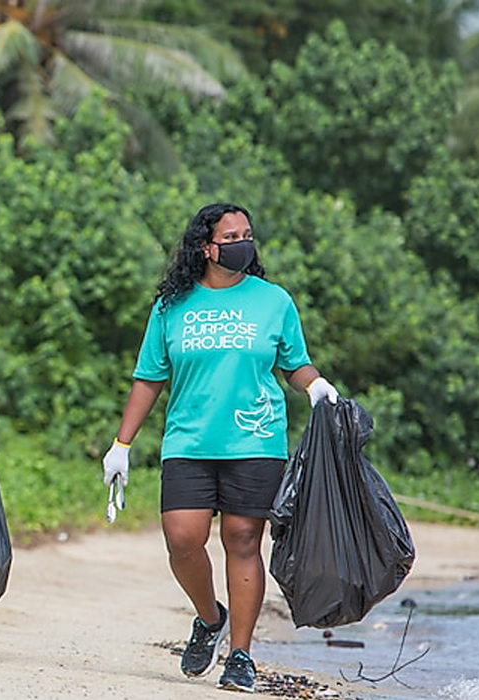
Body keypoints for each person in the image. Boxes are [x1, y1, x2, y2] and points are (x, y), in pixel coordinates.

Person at [102, 203, 339, 692]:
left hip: (256, 439)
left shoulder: (273, 301)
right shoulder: (172, 306)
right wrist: (121, 444)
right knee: (182, 539)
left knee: (243, 539)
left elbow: (295, 364)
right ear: (206, 247)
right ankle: (210, 618)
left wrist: (315, 386)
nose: (242, 243)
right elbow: (149, 379)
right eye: (230, 236)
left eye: (247, 234)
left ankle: (241, 654)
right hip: (189, 439)